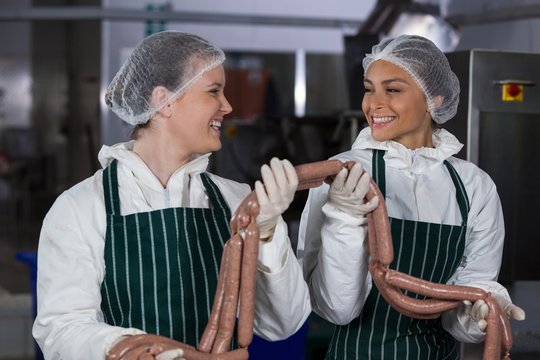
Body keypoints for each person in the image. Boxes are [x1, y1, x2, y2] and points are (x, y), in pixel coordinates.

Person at [33, 30, 311, 360]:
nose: (227, 106)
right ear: (163, 100)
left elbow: (284, 323)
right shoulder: (81, 208)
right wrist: (141, 351)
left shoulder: (235, 199)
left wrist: (268, 236)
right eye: (214, 92)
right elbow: (63, 330)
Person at [297, 34, 525, 359]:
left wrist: (479, 314)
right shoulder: (343, 174)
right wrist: (343, 222)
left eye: (392, 90)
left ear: (435, 99)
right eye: (368, 88)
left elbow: (460, 311)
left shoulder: (473, 186)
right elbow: (336, 309)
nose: (372, 103)